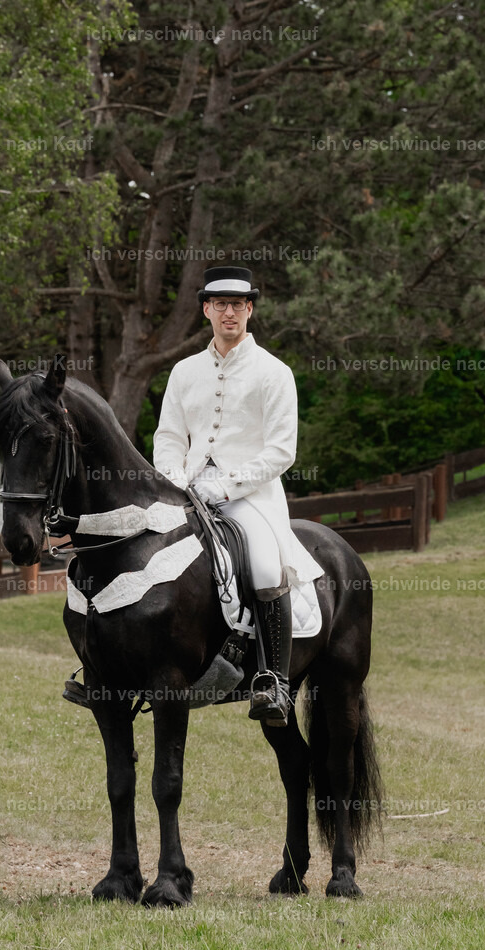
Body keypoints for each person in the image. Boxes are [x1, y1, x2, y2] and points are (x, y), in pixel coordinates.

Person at [153, 266, 322, 725]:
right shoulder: (184, 372)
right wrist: (175, 479)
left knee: (266, 565)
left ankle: (273, 681)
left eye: (237, 304)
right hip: (187, 490)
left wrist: (226, 484)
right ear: (206, 310)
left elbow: (281, 451)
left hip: (250, 496)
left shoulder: (274, 372)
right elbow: (168, 437)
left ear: (249, 309)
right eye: (220, 304)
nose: (229, 312)